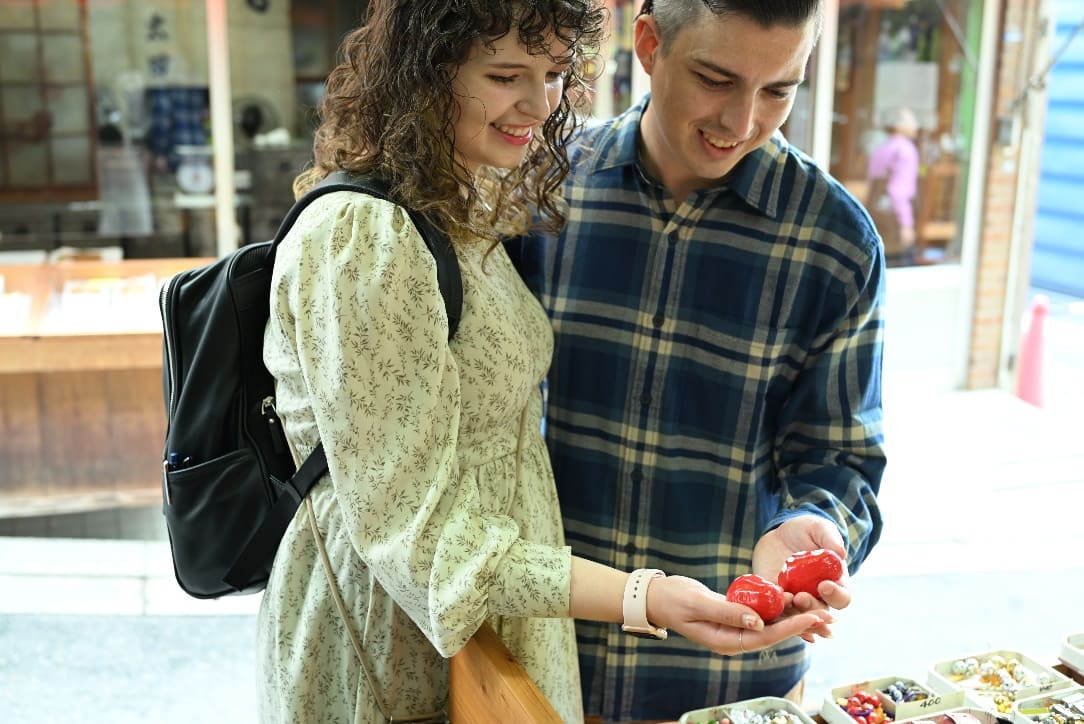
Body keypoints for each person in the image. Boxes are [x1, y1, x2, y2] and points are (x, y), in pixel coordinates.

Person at [256, 2, 832, 723]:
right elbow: (417, 531)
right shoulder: (364, 233)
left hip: (495, 617)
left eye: (556, 73)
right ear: (426, 69)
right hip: (398, 636)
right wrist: (643, 595)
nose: (540, 103)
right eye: (505, 75)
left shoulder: (470, 196)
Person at [510, 0, 887, 720]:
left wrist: (821, 526)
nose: (741, 122)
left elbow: (843, 459)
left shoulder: (836, 242)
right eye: (715, 79)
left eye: (779, 89)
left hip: (734, 683)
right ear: (648, 44)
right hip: (547, 665)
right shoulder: (541, 187)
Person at [867, 107, 921, 265]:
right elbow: (898, 191)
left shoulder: (880, 149)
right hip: (895, 219)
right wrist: (906, 224)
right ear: (898, 125)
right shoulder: (905, 150)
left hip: (876, 215)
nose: (915, 126)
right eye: (911, 121)